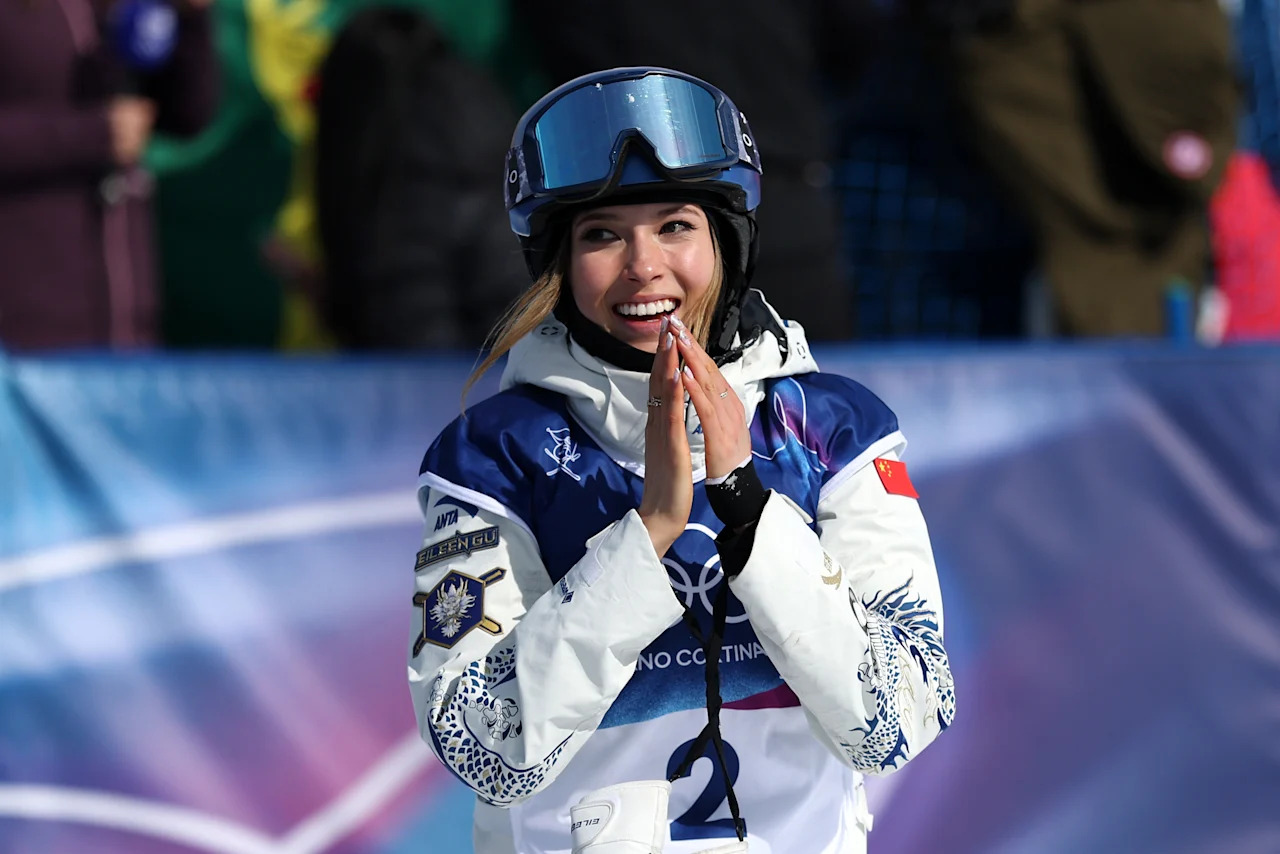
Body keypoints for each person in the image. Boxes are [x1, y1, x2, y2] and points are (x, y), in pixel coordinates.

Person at [408, 67, 955, 854]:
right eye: (602, 235)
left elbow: (898, 724)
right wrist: (649, 535)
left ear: (726, 240)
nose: (643, 266)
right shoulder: (494, 457)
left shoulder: (831, 431)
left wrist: (748, 509)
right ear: (558, 262)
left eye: (675, 226)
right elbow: (481, 750)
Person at [0, 0, 218, 350]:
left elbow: (186, 117)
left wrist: (191, 17)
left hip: (126, 325)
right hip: (24, 338)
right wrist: (90, 134)